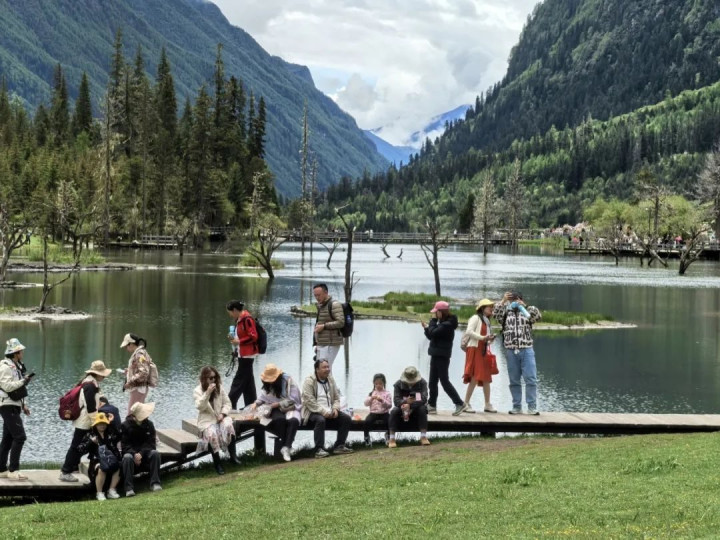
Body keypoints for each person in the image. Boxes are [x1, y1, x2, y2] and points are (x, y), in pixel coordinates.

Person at [59, 360, 112, 482]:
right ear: (97, 374)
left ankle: (74, 467)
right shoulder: (90, 386)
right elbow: (91, 408)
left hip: (85, 421)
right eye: (102, 374)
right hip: (85, 422)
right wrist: (98, 423)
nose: (104, 377)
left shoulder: (90, 383)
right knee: (76, 447)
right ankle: (65, 471)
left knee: (84, 446)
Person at [493, 290, 542, 415]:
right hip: (511, 350)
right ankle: (517, 407)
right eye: (511, 300)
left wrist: (524, 306)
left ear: (521, 299)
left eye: (516, 300)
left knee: (531, 379)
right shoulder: (505, 312)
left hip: (527, 349)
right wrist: (503, 301)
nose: (514, 302)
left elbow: (538, 316)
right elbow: (495, 314)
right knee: (514, 380)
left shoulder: (526, 311)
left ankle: (532, 407)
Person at [301, 359, 353, 458]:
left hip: (330, 410)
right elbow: (309, 401)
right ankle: (319, 449)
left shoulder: (330, 379)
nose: (327, 369)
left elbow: (337, 397)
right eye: (324, 367)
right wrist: (323, 411)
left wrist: (335, 409)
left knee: (346, 418)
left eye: (328, 367)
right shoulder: (309, 381)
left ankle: (339, 445)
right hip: (313, 411)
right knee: (320, 420)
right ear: (317, 369)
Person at [193, 366, 240, 475]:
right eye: (211, 378)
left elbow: (228, 403)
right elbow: (200, 406)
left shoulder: (220, 387)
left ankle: (233, 456)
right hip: (207, 420)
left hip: (220, 417)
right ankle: (217, 463)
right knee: (211, 434)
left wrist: (222, 414)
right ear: (204, 378)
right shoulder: (197, 391)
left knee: (228, 425)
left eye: (215, 377)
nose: (213, 380)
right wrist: (207, 392)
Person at [422, 301, 465, 416]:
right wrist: (426, 329)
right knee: (432, 382)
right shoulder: (442, 324)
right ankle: (432, 405)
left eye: (436, 312)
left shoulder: (447, 325)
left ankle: (459, 403)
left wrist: (432, 321)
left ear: (441, 312)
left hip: (442, 357)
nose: (435, 314)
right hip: (436, 355)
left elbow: (433, 332)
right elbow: (432, 336)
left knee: (444, 381)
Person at [253, 364, 302, 462]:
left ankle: (286, 447)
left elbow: (294, 399)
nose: (270, 382)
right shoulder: (267, 385)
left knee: (294, 421)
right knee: (280, 420)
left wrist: (278, 404)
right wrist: (255, 403)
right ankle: (287, 447)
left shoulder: (288, 381)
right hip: (274, 408)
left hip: (290, 407)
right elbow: (263, 397)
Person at [0, 338, 33, 481]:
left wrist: (24, 405)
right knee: (20, 437)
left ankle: (1, 469)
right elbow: (7, 386)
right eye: (21, 351)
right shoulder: (5, 367)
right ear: (15, 353)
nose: (22, 353)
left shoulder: (15, 366)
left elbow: (17, 388)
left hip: (13, 404)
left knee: (7, 439)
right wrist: (23, 381)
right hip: (7, 405)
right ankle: (13, 470)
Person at [462, 299, 498, 413]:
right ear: (482, 308)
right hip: (474, 349)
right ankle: (466, 403)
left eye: (492, 307)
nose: (491, 309)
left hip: (483, 351)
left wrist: (490, 339)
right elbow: (469, 331)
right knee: (474, 376)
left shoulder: (487, 321)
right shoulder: (475, 318)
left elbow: (485, 340)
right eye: (489, 307)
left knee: (486, 377)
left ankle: (487, 404)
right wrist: (483, 338)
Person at [76, 412, 121, 500]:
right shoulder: (90, 434)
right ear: (95, 425)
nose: (102, 426)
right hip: (96, 460)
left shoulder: (110, 432)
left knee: (118, 466)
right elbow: (80, 449)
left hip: (110, 459)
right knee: (101, 468)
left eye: (104, 423)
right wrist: (91, 442)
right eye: (100, 424)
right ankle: (99, 493)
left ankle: (111, 490)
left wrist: (111, 423)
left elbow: (119, 436)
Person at [121, 401, 162, 496]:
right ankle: (129, 488)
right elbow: (125, 445)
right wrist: (134, 454)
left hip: (145, 453)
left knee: (155, 453)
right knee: (127, 457)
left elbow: (151, 443)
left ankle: (155, 483)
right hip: (131, 454)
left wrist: (141, 454)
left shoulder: (149, 424)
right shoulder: (125, 425)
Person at [226, 300, 259, 409]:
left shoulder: (247, 319)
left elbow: (254, 336)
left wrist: (239, 341)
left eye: (230, 312)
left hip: (247, 355)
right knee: (248, 383)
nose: (230, 315)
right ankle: (251, 405)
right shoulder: (240, 320)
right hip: (243, 354)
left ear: (235, 310)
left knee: (238, 381)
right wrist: (235, 343)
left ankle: (230, 403)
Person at [388, 366, 430, 448]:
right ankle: (392, 438)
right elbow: (396, 401)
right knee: (394, 411)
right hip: (402, 406)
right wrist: (405, 402)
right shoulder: (398, 384)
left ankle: (423, 437)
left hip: (417, 406)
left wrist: (410, 406)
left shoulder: (423, 383)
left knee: (423, 409)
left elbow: (424, 399)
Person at [120, 333, 154, 415]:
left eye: (126, 346)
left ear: (131, 344)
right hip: (140, 387)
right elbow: (142, 369)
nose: (126, 348)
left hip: (138, 388)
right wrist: (130, 371)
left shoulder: (139, 354)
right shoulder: (140, 352)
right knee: (137, 414)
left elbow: (144, 372)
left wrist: (129, 382)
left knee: (131, 414)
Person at [312, 283, 345, 368]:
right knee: (320, 369)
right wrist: (317, 343)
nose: (317, 297)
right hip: (322, 343)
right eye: (315, 295)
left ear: (326, 293)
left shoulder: (334, 305)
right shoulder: (321, 305)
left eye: (319, 295)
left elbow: (341, 322)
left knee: (325, 369)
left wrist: (324, 326)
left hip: (331, 343)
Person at [362, 373, 391, 446]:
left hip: (384, 413)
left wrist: (382, 400)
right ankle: (366, 437)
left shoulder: (387, 393)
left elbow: (389, 405)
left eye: (380, 383)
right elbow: (366, 404)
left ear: (384, 383)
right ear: (374, 384)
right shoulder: (371, 393)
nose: (378, 385)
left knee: (390, 421)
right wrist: (371, 398)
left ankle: (388, 436)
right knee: (367, 421)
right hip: (373, 413)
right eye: (376, 384)